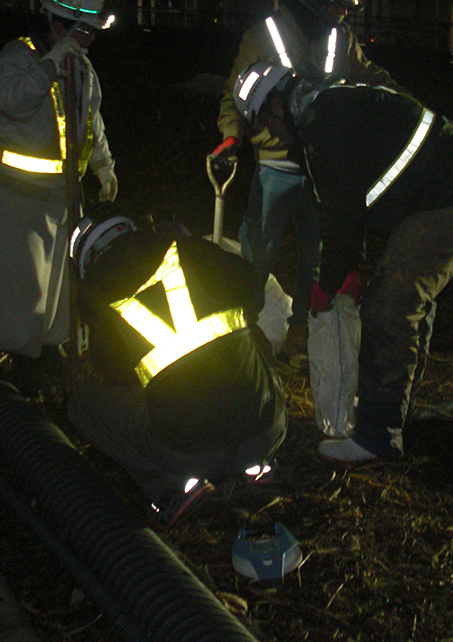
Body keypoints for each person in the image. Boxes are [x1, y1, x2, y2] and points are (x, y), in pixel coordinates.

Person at [232, 61, 453, 463]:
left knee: (388, 311)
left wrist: (327, 285)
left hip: (448, 201)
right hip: (445, 194)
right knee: (406, 303)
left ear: (277, 105)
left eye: (265, 121)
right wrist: (347, 268)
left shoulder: (324, 125)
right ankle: (393, 409)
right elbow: (350, 198)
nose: (271, 133)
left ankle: (377, 437)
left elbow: (343, 217)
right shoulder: (326, 107)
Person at [213, 0, 402, 363]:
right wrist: (231, 139)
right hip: (275, 166)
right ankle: (241, 332)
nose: (342, 15)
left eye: (346, 8)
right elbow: (234, 94)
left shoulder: (341, 38)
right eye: (337, 6)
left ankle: (300, 332)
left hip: (321, 170)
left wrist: (407, 103)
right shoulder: (265, 34)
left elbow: (370, 76)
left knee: (315, 259)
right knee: (257, 255)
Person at [65, 210, 287, 528]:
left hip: (191, 454)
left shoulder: (98, 299)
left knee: (81, 406)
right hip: (266, 430)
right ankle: (258, 465)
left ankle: (171, 487)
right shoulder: (187, 248)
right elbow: (252, 292)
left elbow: (117, 376)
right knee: (252, 334)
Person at [0, 0, 119, 377]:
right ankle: (14, 354)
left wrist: (104, 167)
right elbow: (13, 102)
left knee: (56, 279)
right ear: (58, 25)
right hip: (17, 191)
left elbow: (91, 121)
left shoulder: (83, 68)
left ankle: (47, 345)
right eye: (85, 29)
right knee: (19, 278)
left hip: (62, 192)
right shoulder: (16, 58)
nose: (91, 38)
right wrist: (50, 66)